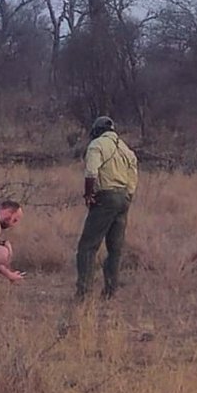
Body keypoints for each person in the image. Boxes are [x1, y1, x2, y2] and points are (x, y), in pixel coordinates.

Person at [75, 116, 138, 301]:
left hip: (106, 197)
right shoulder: (126, 149)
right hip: (124, 198)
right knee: (115, 248)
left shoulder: (97, 145)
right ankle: (110, 291)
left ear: (97, 129)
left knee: (87, 246)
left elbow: (91, 172)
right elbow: (133, 176)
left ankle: (83, 293)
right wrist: (127, 196)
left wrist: (88, 194)